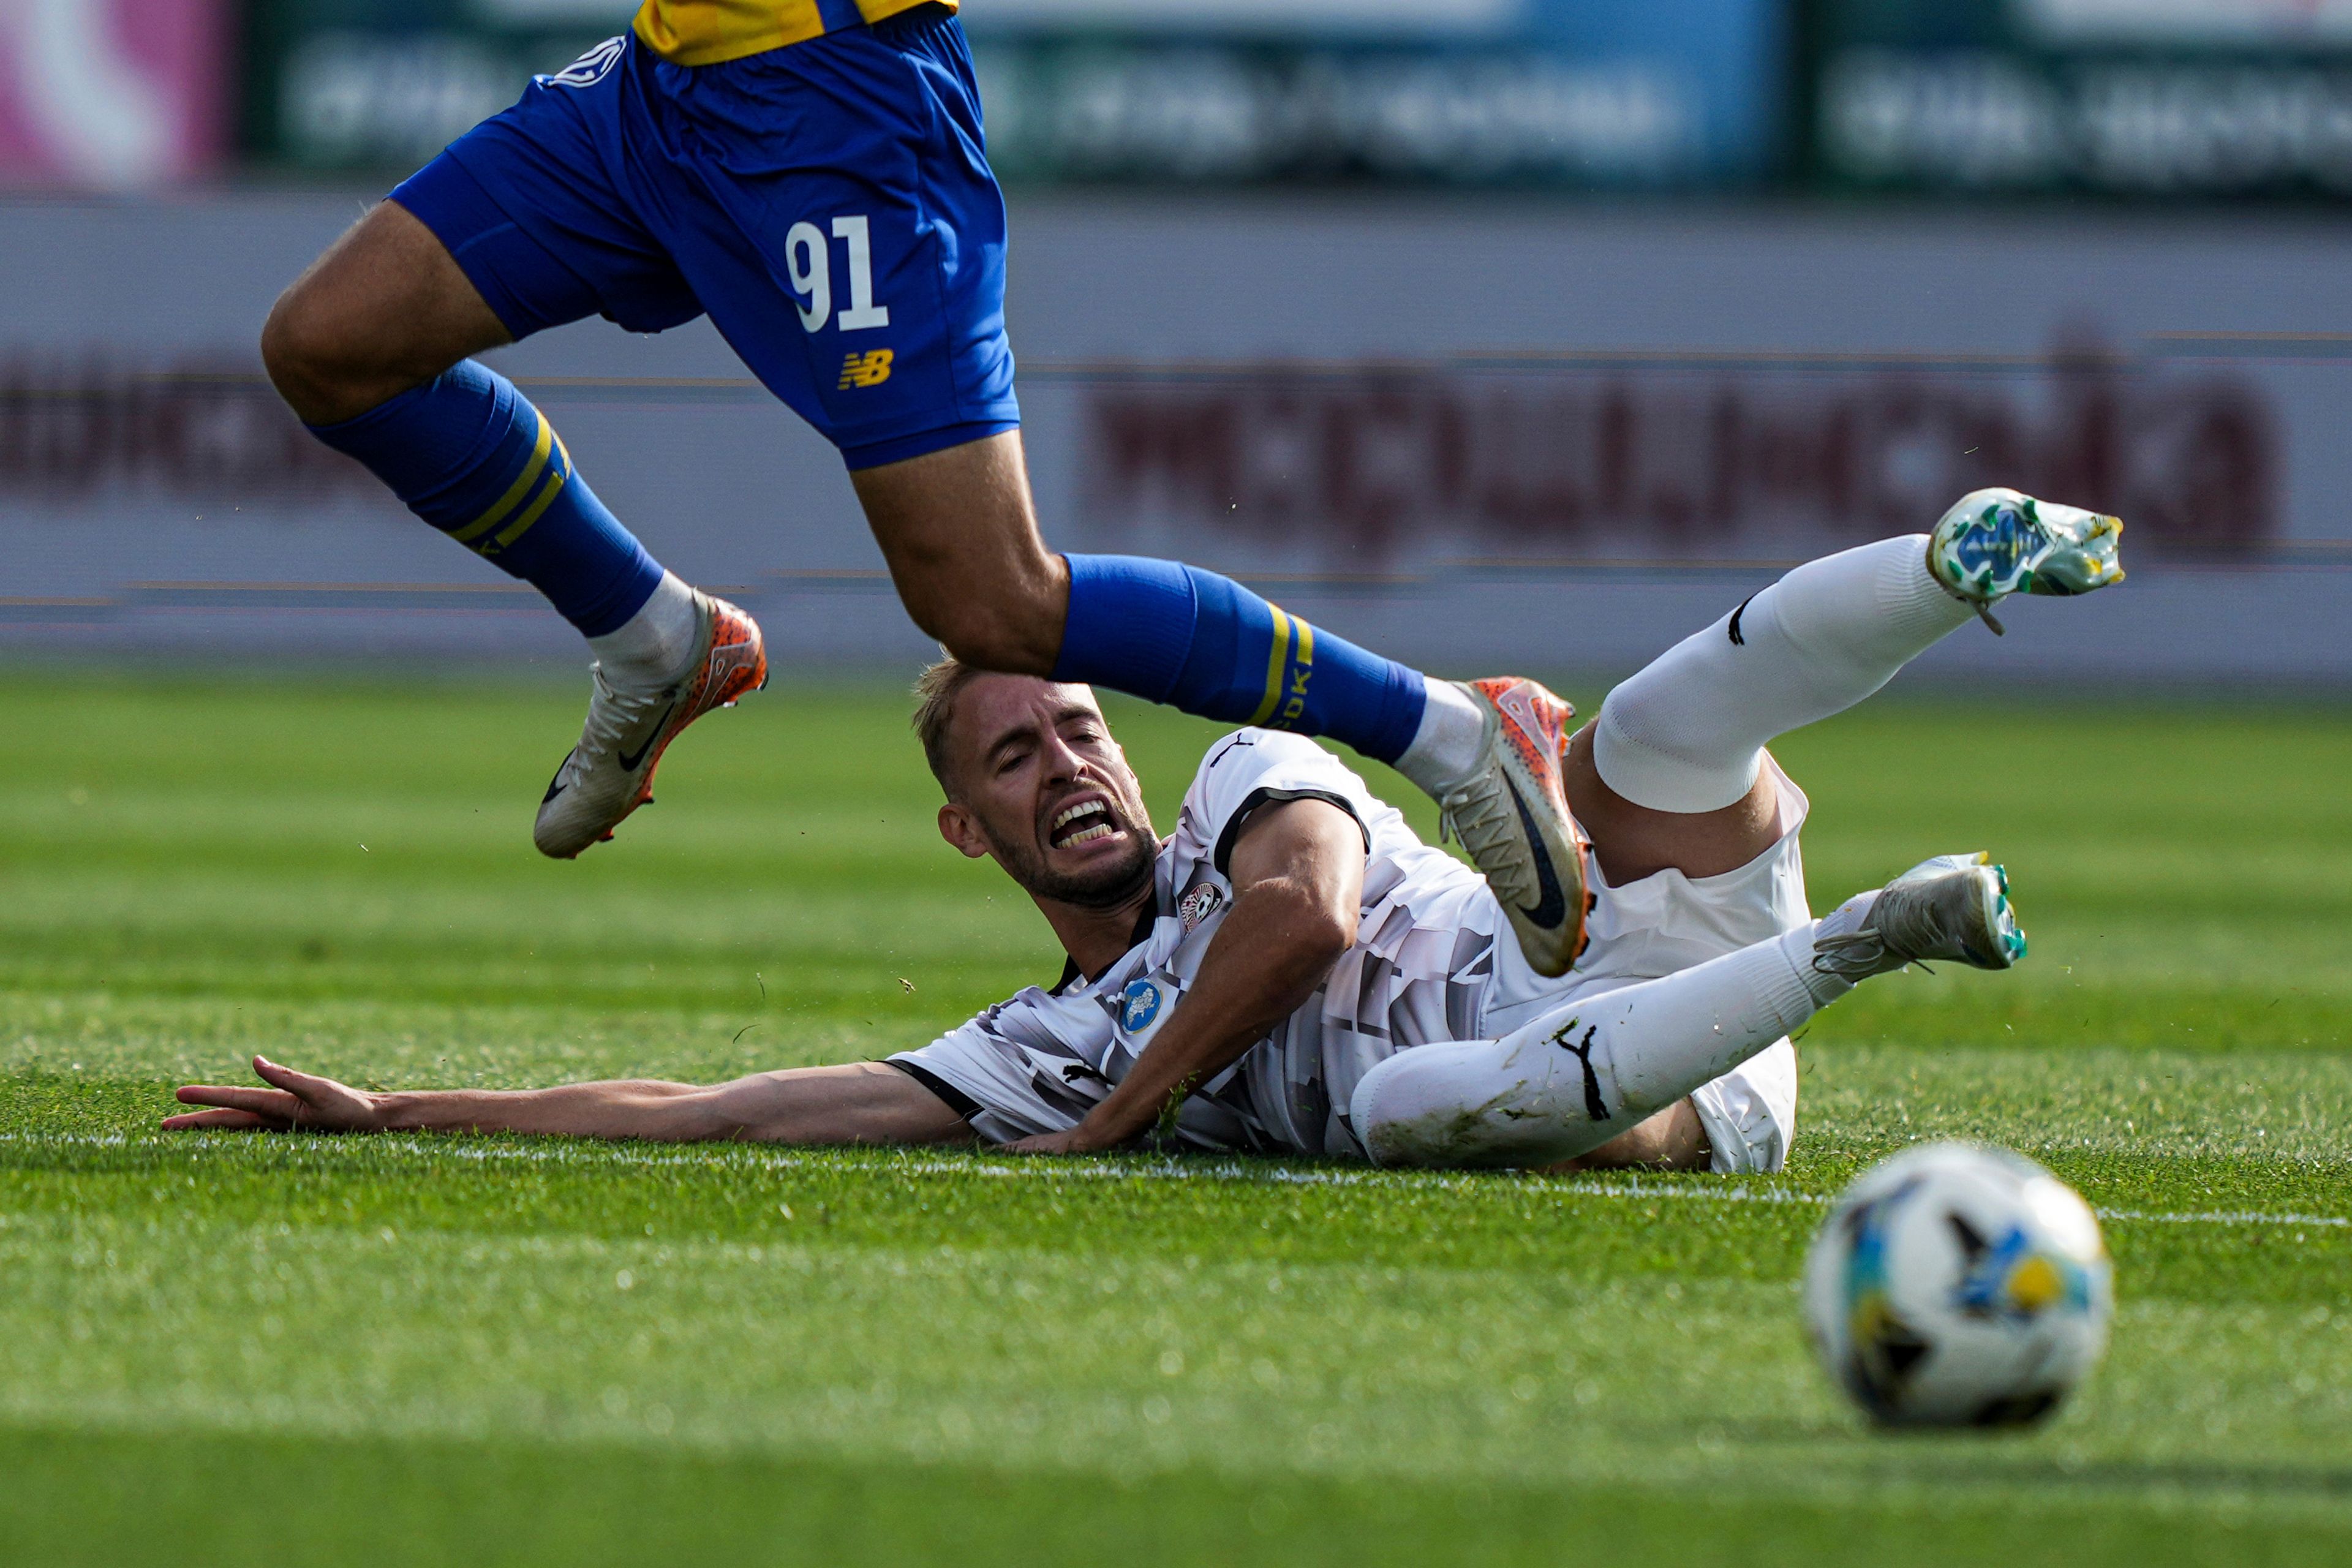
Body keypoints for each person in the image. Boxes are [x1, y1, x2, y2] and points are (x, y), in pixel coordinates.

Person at [165, 491, 2122, 1168]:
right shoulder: (1029, 1048)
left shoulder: (1234, 790)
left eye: (1077, 726)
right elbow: (718, 1108)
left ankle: (1964, 560)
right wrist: (411, 1115)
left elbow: (1303, 919)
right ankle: (1877, 937)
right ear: (967, 834)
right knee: (1416, 1111)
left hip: (1613, 921)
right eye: (1018, 761)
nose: (1074, 765)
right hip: (1661, 1079)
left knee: (1663, 733)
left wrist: (1113, 1127)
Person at [258, 0, 1586, 974]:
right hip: (659, 90)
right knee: (331, 348)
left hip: (837, 105)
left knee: (990, 599)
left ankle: (1453, 733)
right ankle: (655, 637)